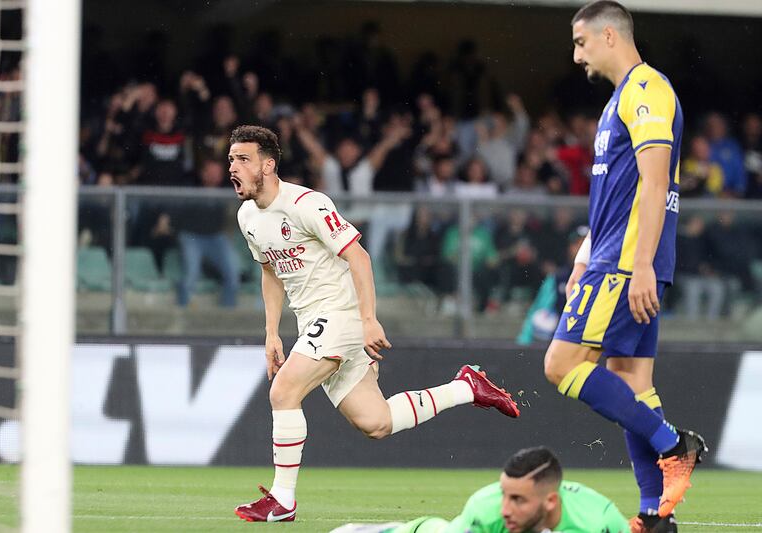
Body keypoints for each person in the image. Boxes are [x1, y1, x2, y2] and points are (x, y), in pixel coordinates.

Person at [229, 125, 520, 522]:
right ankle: (466, 387)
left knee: (284, 392)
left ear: (268, 165)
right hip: (313, 322)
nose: (233, 167)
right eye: (231, 159)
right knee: (376, 422)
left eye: (243, 159)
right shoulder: (248, 216)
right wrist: (270, 333)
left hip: (342, 316)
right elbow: (271, 274)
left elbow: (359, 257)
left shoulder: (306, 204)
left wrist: (367, 320)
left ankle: (283, 499)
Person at [542, 3, 706, 532]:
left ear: (609, 35)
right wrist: (583, 255)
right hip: (612, 257)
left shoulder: (646, 90)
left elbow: (657, 186)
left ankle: (674, 444)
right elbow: (616, 196)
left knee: (561, 365)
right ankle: (656, 515)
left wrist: (638, 266)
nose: (576, 55)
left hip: (626, 263)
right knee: (630, 379)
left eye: (580, 42)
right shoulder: (619, 101)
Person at [331, 446, 629, 533]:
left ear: (550, 501)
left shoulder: (602, 522)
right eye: (504, 494)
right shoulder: (485, 511)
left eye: (518, 500)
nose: (505, 509)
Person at [174, 158, 239, 308]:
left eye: (217, 173)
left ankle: (227, 316)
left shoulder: (227, 188)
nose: (214, 176)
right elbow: (178, 215)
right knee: (191, 274)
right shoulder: (190, 186)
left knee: (233, 272)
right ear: (202, 173)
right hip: (191, 236)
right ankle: (182, 313)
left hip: (215, 236)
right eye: (210, 173)